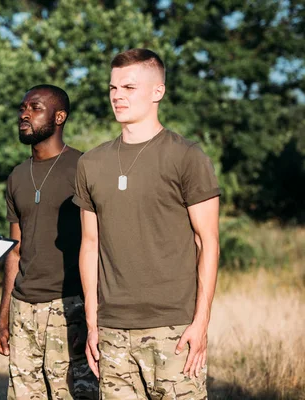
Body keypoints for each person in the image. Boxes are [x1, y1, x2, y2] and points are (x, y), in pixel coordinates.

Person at [73, 48, 220, 399]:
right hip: (112, 330)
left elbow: (208, 243)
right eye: (113, 88)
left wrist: (200, 323)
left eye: (128, 87)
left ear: (158, 92)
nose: (117, 96)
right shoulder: (91, 164)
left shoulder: (186, 156)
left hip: (174, 329)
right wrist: (93, 324)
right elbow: (90, 245)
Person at [0, 84, 98, 400]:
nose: (24, 114)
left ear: (59, 116)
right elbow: (15, 250)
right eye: (23, 107)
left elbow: (101, 246)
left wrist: (94, 318)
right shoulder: (17, 176)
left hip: (70, 307)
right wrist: (3, 319)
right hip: (23, 310)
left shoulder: (85, 167)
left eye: (35, 108)